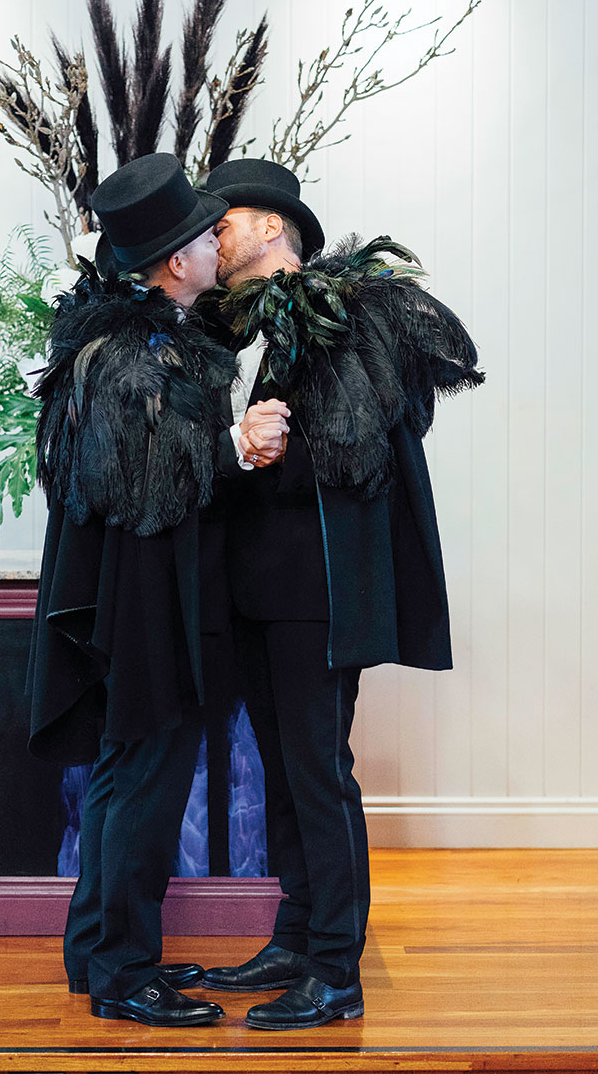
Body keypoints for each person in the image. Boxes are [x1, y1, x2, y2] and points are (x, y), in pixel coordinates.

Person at [198, 158, 484, 1031]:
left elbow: (372, 438)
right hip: (252, 588)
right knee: (281, 772)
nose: (214, 233)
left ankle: (337, 968)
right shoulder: (229, 331)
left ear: (275, 228)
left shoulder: (346, 315)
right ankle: (294, 933)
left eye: (227, 219)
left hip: (317, 589)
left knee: (319, 771)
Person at [25, 152, 284, 1027]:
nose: (219, 243)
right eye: (209, 237)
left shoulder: (149, 336)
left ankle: (100, 951)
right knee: (143, 778)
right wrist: (236, 446)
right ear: (177, 263)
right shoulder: (133, 354)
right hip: (146, 601)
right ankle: (121, 973)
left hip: (143, 594)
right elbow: (145, 482)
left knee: (125, 774)